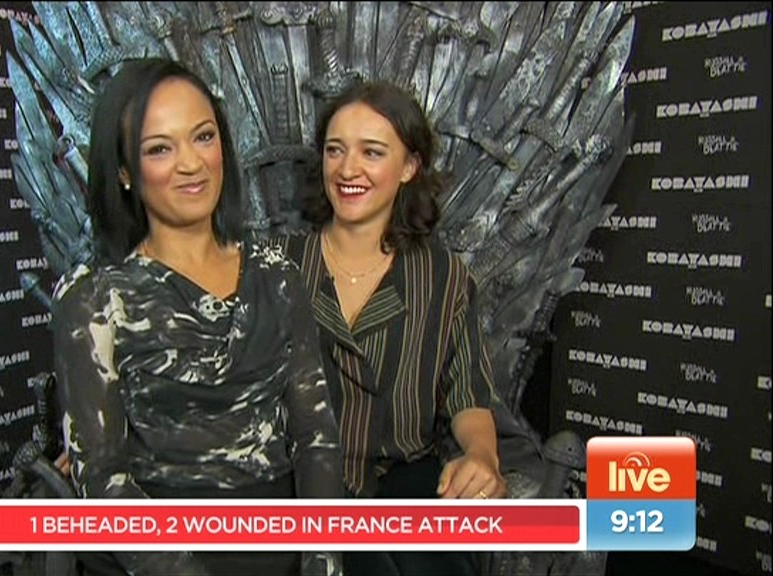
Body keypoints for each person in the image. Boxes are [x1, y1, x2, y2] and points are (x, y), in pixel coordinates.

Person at [51, 58, 343, 576]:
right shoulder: (93, 296)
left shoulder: (277, 273)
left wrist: (323, 561)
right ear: (124, 171)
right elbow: (101, 475)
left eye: (203, 137)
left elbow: (316, 435)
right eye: (159, 148)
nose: (191, 163)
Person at [270, 80, 507, 576]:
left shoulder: (443, 278)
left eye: (371, 152)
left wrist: (482, 456)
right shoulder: (276, 267)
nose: (347, 169)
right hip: (292, 486)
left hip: (403, 484)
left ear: (408, 166)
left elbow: (468, 398)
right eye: (335, 150)